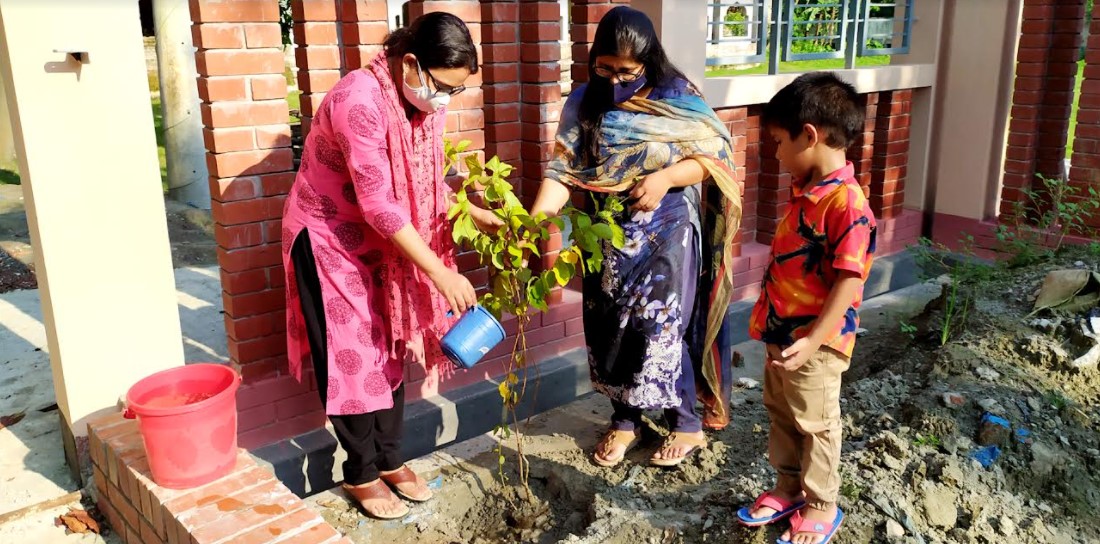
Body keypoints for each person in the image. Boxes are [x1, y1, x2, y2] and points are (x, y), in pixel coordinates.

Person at [280, 12, 499, 520]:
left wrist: (470, 210)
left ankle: (390, 460)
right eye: (441, 86)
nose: (445, 99)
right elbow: (380, 203)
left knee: (390, 347)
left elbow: (419, 179)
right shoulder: (359, 101)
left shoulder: (422, 107)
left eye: (455, 92)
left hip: (386, 246)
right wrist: (440, 273)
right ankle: (359, 471)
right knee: (351, 356)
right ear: (411, 64)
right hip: (329, 241)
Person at [530, 6, 743, 469]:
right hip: (604, 234)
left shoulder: (676, 95)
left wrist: (666, 177)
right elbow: (563, 169)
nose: (613, 80)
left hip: (667, 230)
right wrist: (535, 221)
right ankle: (626, 421)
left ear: (648, 62)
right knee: (611, 328)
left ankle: (686, 424)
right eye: (604, 68)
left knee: (658, 326)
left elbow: (714, 155)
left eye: (626, 72)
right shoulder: (584, 102)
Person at [735, 72, 877, 544]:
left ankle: (821, 503)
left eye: (777, 142)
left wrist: (814, 338)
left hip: (816, 342)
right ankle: (788, 486)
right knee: (781, 410)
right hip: (783, 335)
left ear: (810, 135)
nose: (775, 154)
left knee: (816, 421)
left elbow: (849, 280)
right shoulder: (807, 194)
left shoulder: (847, 204)